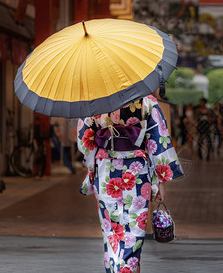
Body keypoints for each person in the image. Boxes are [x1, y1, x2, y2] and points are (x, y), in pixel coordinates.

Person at [77, 92, 183, 273]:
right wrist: (160, 182)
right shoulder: (146, 100)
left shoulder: (93, 100)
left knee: (112, 233)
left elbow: (84, 140)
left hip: (106, 172)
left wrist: (94, 163)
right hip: (136, 172)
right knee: (133, 233)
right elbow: (158, 140)